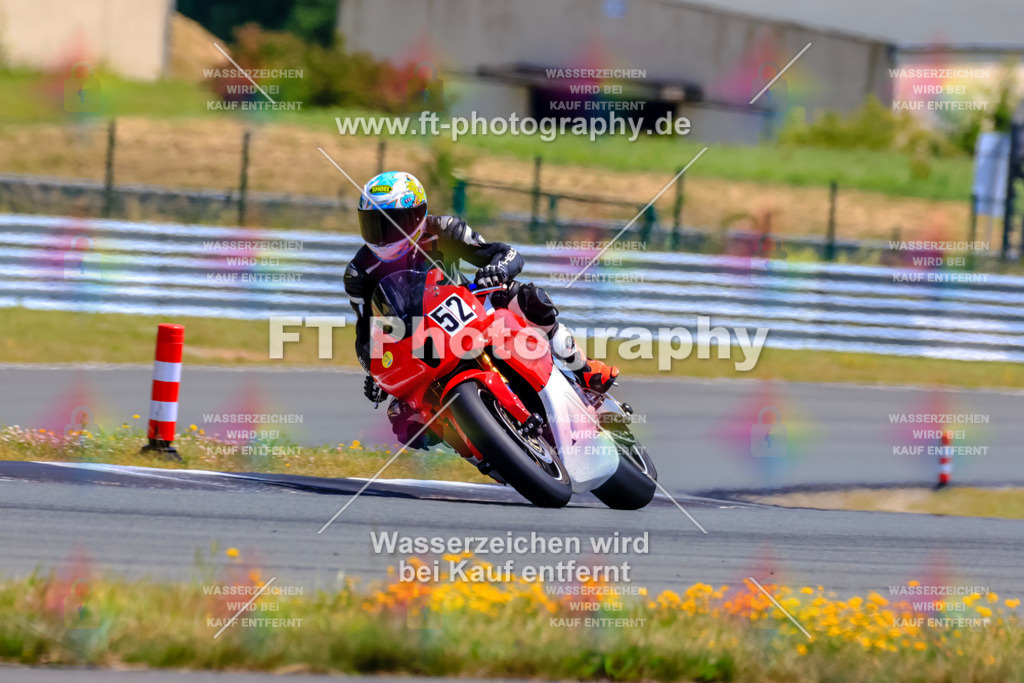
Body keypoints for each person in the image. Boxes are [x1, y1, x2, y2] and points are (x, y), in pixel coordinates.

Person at [345, 171, 619, 448]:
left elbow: (505, 254)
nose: (383, 234)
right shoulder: (360, 271)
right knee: (404, 423)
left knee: (527, 298)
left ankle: (582, 368)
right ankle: (479, 446)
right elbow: (366, 334)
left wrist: (496, 270)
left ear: (418, 215)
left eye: (392, 223)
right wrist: (375, 372)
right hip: (418, 339)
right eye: (374, 224)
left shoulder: (444, 229)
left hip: (466, 307)